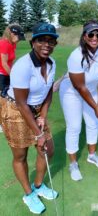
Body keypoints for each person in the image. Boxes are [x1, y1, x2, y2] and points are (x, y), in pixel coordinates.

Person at [1, 22, 59, 214]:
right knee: (21, 156)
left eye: (51, 41)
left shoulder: (52, 63)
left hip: (34, 109)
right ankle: (28, 194)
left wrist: (43, 115)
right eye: (42, 39)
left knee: (48, 150)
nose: (47, 44)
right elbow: (21, 103)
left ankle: (38, 185)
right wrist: (38, 133)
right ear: (33, 42)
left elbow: (49, 90)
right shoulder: (22, 66)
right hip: (15, 110)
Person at [59, 19, 98, 181]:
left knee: (93, 123)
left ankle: (92, 155)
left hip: (92, 91)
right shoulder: (75, 56)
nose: (94, 37)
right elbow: (80, 87)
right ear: (84, 36)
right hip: (72, 93)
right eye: (91, 34)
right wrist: (95, 106)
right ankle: (73, 164)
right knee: (74, 127)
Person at [0, 24, 25, 133]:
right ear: (12, 34)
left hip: (7, 73)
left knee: (9, 97)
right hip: (1, 74)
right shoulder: (4, 44)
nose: (19, 40)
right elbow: (4, 63)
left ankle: (7, 119)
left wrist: (15, 72)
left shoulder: (12, 44)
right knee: (2, 99)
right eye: (18, 37)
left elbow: (11, 61)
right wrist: (14, 77)